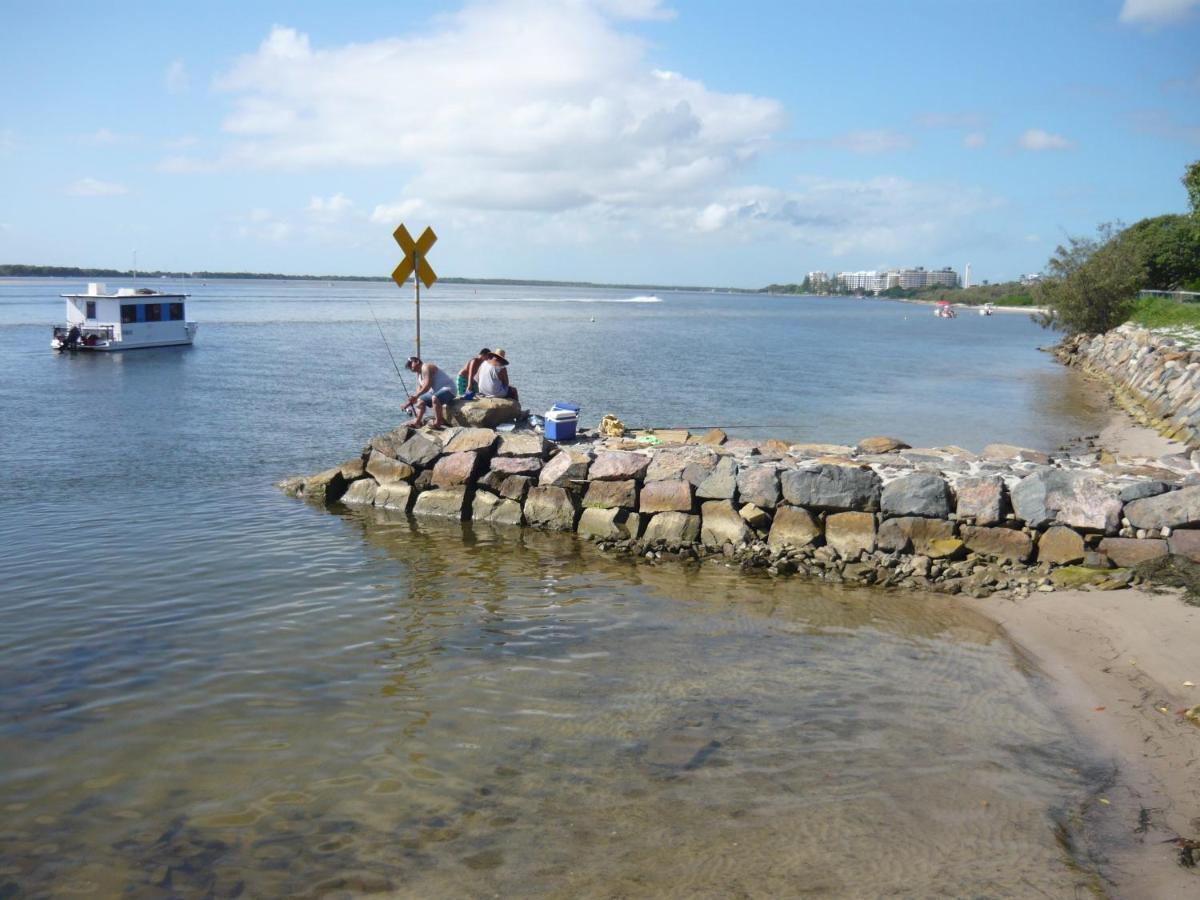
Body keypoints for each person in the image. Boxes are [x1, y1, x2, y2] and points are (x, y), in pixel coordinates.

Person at [402, 356, 456, 428]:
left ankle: (438, 422)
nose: (409, 367)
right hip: (437, 392)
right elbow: (418, 394)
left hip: (449, 389)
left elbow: (427, 386)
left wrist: (416, 396)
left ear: (417, 361)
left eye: (410, 364)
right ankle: (417, 422)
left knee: (435, 398)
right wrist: (408, 403)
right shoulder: (419, 376)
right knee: (420, 401)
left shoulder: (426, 367)